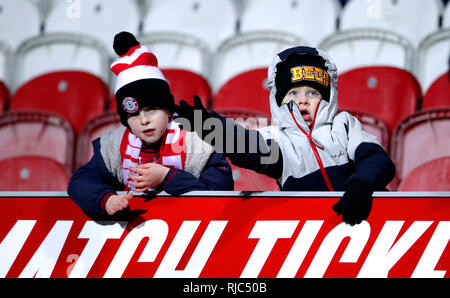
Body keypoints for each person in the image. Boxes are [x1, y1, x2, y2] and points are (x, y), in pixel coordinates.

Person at [175, 46, 396, 226]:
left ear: (327, 97)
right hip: (314, 231)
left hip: (370, 222)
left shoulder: (344, 124)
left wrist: (362, 184)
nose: (302, 100)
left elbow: (377, 159)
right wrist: (210, 127)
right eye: (293, 93)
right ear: (278, 100)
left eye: (312, 92)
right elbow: (247, 148)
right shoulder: (278, 140)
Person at [68, 32, 234, 217]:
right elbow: (80, 181)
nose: (144, 120)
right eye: (134, 115)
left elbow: (220, 196)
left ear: (169, 110)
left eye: (151, 109)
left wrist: (167, 176)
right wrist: (106, 199)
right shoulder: (113, 148)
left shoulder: (200, 141)